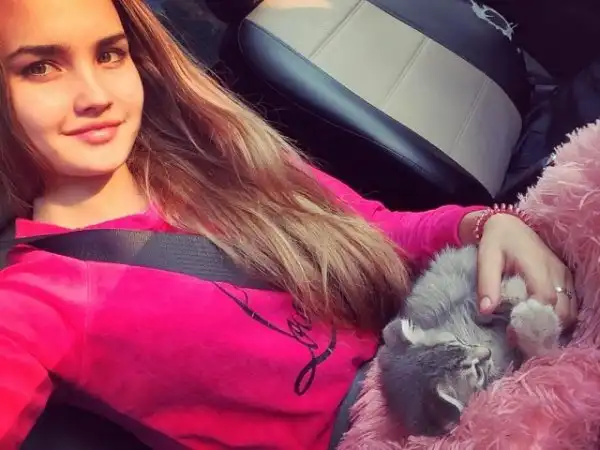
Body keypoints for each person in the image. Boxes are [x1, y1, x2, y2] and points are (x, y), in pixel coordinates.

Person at [0, 0, 578, 448]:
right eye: (40, 68)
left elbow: (375, 229)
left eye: (109, 54)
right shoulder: (34, 306)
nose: (95, 95)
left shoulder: (218, 146)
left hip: (443, 340)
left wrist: (485, 224)